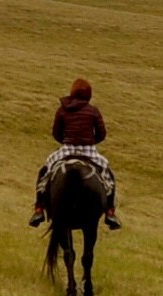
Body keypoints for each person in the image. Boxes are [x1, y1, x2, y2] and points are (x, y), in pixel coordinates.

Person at [33, 78, 121, 228]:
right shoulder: (93, 111)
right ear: (89, 94)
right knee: (108, 174)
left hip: (67, 149)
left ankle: (39, 209)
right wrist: (91, 141)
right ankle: (110, 212)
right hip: (88, 150)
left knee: (44, 171)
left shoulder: (62, 110)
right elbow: (102, 134)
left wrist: (66, 141)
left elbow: (56, 133)